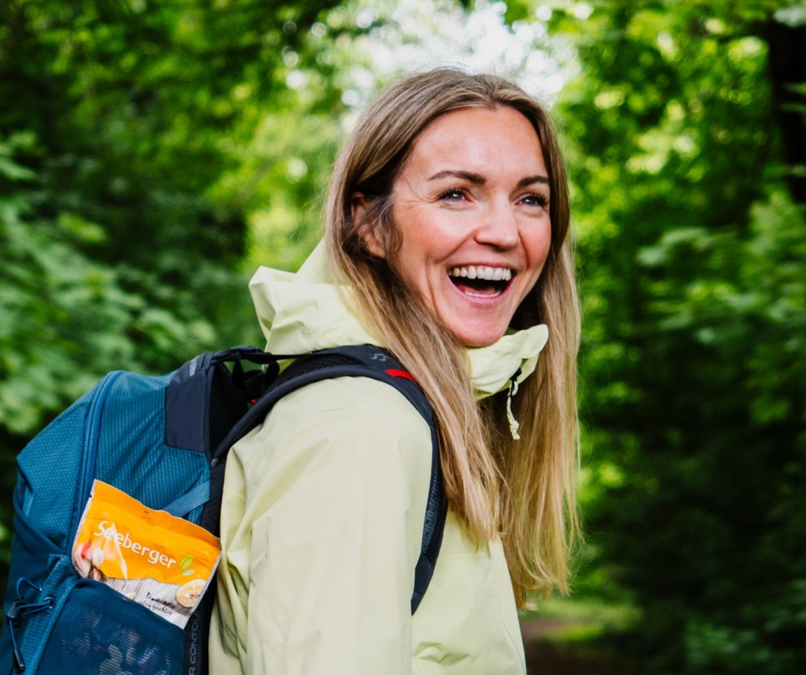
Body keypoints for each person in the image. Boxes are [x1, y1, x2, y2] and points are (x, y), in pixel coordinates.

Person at [209, 67, 580, 674]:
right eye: (456, 193)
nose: (505, 232)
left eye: (530, 199)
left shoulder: (413, 410)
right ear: (369, 224)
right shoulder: (361, 427)